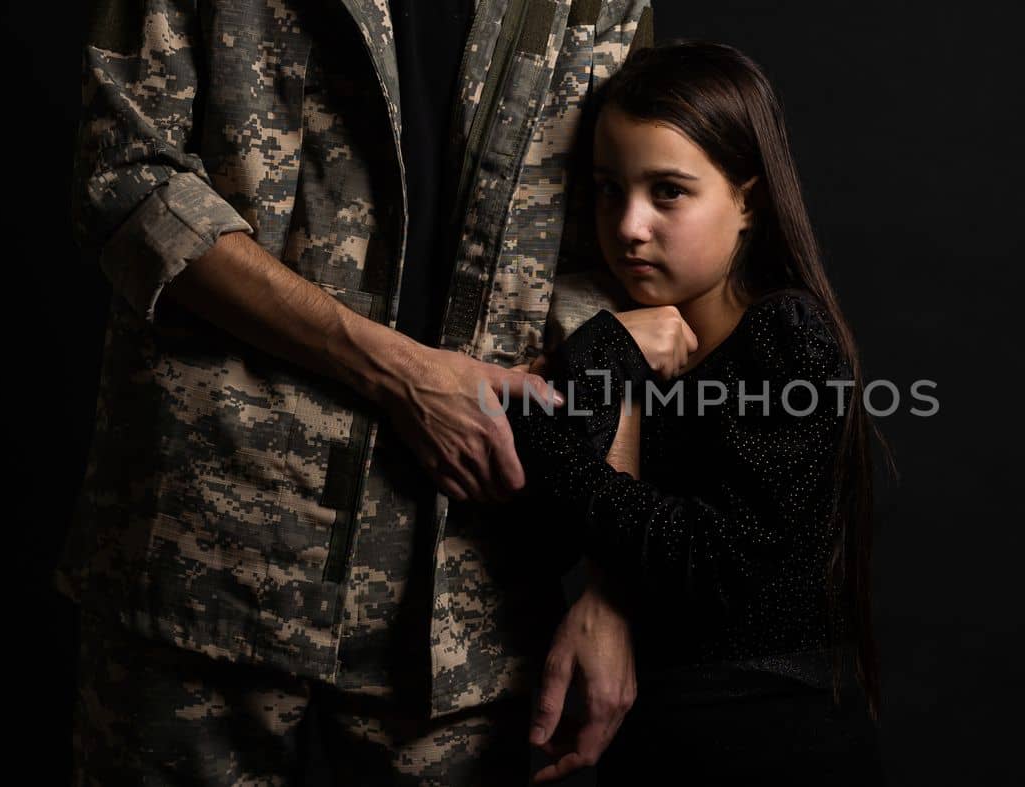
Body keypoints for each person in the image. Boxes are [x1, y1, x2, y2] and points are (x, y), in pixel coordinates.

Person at [55, 0, 655, 783]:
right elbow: (126, 179)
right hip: (210, 570)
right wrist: (400, 371)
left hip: (469, 604)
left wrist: (615, 585)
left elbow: (619, 272)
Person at [503, 42, 889, 785]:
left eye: (668, 192)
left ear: (748, 199)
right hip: (652, 740)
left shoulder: (786, 338)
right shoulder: (625, 342)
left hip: (768, 743)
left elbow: (709, 561)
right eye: (609, 189)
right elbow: (540, 531)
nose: (629, 226)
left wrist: (546, 431)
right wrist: (607, 351)